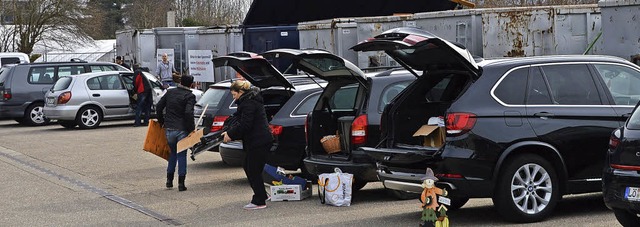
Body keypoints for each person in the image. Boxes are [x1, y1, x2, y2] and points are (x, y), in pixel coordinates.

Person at [222, 80, 273, 210]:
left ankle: (259, 200)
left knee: (253, 169)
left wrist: (231, 134)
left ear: (241, 92)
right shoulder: (249, 101)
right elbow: (239, 119)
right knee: (249, 166)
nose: (234, 98)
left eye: (234, 95)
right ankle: (263, 194)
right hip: (258, 140)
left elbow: (246, 125)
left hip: (259, 141)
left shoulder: (248, 104)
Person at [156, 75, 196, 192]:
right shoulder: (190, 96)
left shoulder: (170, 92)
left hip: (169, 128)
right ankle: (181, 184)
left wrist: (162, 122)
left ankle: (169, 181)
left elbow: (159, 107)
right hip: (182, 129)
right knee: (181, 155)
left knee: (172, 153)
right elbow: (188, 113)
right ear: (191, 84)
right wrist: (191, 129)